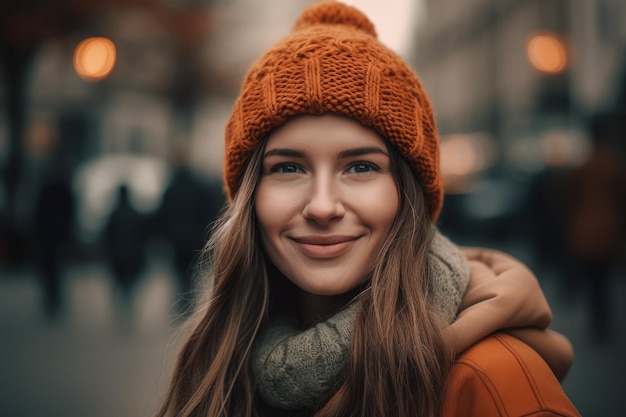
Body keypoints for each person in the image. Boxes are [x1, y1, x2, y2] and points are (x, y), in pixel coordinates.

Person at [155, 2, 579, 416]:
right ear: (250, 195)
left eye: (360, 166)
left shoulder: (495, 383)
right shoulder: (218, 370)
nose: (322, 206)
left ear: (406, 193)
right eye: (288, 167)